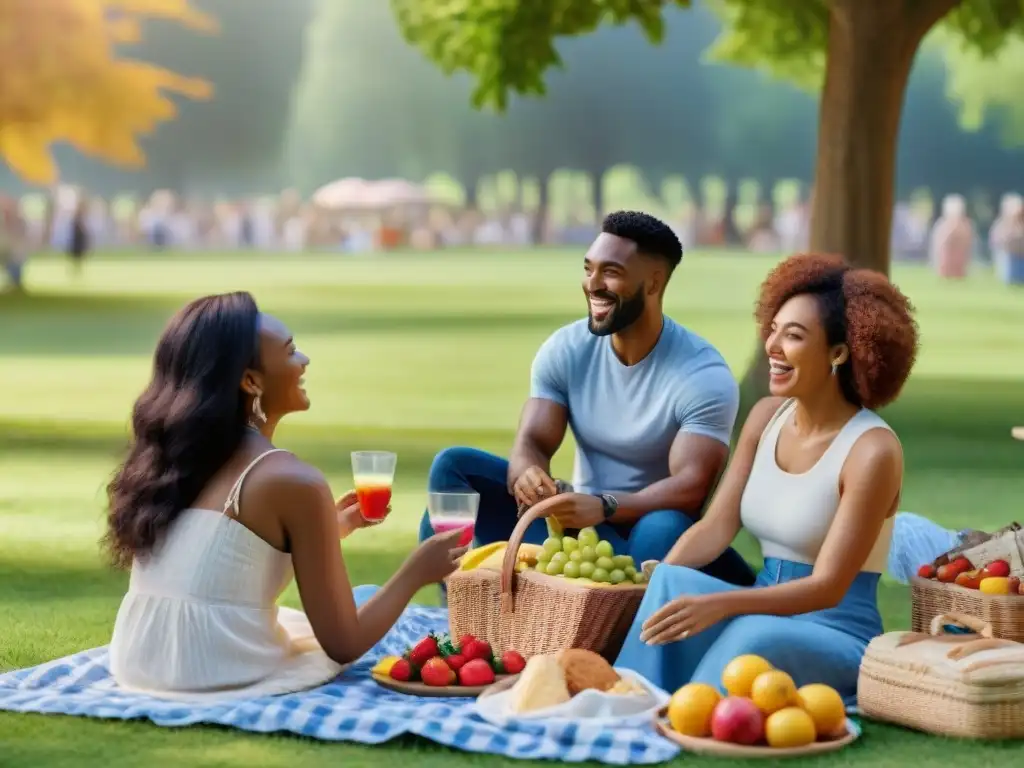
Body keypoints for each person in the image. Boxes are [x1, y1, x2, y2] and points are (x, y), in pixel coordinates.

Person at [106, 292, 467, 700]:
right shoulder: (294, 481)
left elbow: (215, 555)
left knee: (349, 604)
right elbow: (343, 643)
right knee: (366, 601)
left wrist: (330, 529)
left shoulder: (180, 458)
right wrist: (416, 572)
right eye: (291, 351)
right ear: (251, 381)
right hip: (212, 668)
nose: (304, 361)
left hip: (141, 659)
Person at [606, 253, 923, 704]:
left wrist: (721, 604)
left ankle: (684, 724)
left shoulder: (872, 450)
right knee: (673, 585)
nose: (772, 345)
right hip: (761, 602)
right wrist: (658, 578)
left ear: (839, 352)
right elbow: (715, 527)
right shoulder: (766, 416)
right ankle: (626, 706)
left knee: (748, 635)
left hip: (834, 628)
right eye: (772, 329)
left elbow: (828, 587)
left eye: (793, 336)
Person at [421, 211, 755, 586]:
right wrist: (527, 474)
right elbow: (530, 441)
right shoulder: (566, 349)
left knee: (664, 528)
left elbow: (691, 489)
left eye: (610, 272)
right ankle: (461, 624)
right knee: (454, 471)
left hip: (650, 542)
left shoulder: (701, 374)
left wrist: (603, 506)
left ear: (653, 283)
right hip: (579, 537)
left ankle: (622, 620)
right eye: (588, 269)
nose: (592, 284)